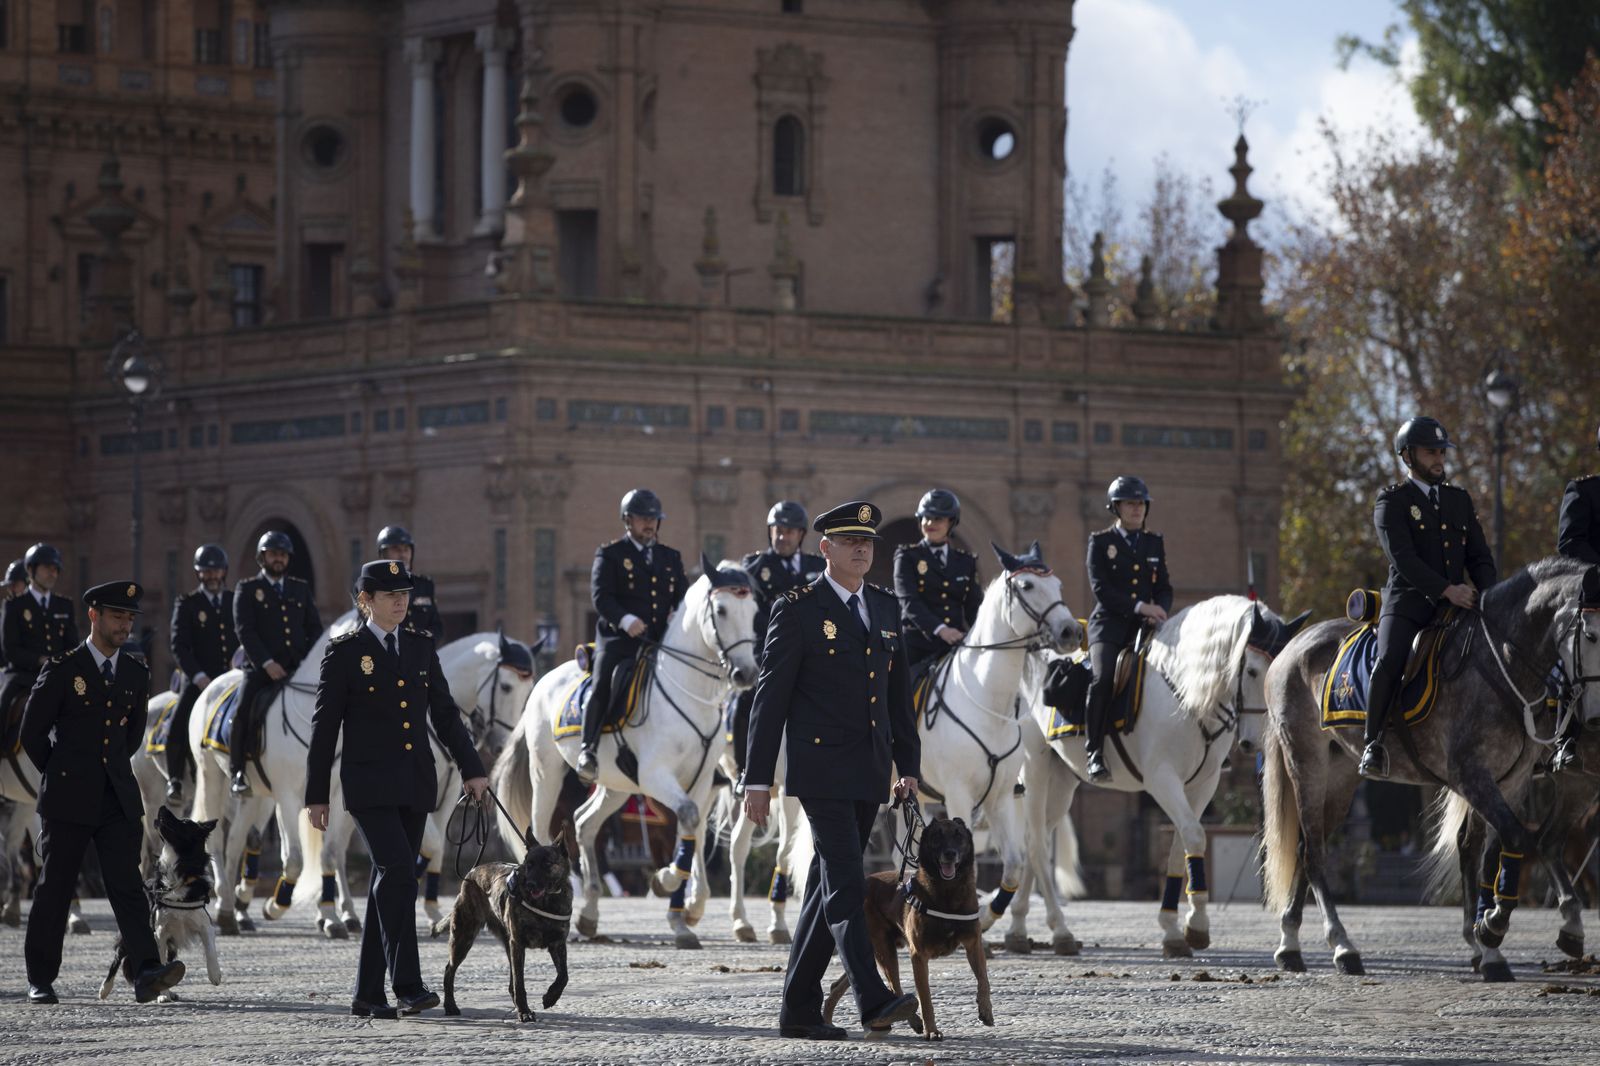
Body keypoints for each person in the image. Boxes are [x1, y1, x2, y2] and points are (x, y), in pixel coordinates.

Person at [744, 501, 921, 1040]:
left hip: (869, 771)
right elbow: (769, 699)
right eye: (849, 541)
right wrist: (756, 778)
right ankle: (872, 999)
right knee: (846, 883)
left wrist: (908, 767)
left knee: (826, 888)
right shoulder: (796, 607)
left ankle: (798, 1011)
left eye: (867, 541)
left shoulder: (886, 609)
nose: (862, 548)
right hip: (820, 770)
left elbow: (898, 698)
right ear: (825, 548)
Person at [305, 560, 489, 1019]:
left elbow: (445, 714)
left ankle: (367, 993)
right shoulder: (345, 652)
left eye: (404, 593)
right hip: (368, 785)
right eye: (389, 595)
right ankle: (407, 984)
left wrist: (472, 767)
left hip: (413, 782)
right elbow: (325, 725)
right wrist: (315, 794)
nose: (400, 601)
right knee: (401, 872)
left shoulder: (422, 645)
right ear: (365, 600)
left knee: (389, 881)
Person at [20, 581, 185, 1005]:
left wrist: (106, 771)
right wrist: (60, 773)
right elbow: (32, 733)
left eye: (129, 618)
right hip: (68, 795)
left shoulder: (134, 672)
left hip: (115, 796)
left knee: (127, 886)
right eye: (117, 616)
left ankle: (146, 969)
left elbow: (131, 737)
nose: (124, 625)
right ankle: (40, 977)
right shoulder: (63, 669)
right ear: (93, 615)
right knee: (55, 888)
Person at [1359, 417, 1496, 779]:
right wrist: (1446, 589)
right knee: (1389, 658)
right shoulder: (1392, 501)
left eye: (1441, 452)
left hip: (1459, 605)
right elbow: (1403, 559)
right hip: (1409, 603)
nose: (1439, 459)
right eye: (1430, 452)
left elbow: (1479, 556)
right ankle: (1373, 743)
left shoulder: (1459, 500)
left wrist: (1491, 594)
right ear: (1408, 456)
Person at [577, 489, 687, 784]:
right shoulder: (611, 554)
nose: (649, 524)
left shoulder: (670, 557)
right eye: (642, 519)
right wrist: (626, 620)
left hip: (660, 641)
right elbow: (601, 597)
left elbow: (682, 597)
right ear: (628, 520)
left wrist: (677, 613)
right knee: (604, 680)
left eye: (653, 519)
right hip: (619, 640)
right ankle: (588, 748)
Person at [1083, 476, 1172, 784]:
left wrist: (1160, 609)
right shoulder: (1101, 542)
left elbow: (1163, 587)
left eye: (1140, 503)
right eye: (1130, 503)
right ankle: (1094, 750)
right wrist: (1140, 607)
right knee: (1103, 677)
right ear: (1116, 508)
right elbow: (1101, 590)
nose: (1136, 509)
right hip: (1108, 626)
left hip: (1147, 627)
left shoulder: (1153, 542)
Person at [732, 500, 826, 780]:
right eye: (777, 530)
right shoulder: (754, 565)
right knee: (747, 701)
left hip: (813, 653)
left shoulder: (819, 566)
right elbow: (751, 614)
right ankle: (744, 771)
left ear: (801, 535)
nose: (782, 536)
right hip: (767, 652)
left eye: (789, 531)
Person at [231, 531, 323, 795]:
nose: (278, 558)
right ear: (262, 557)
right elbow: (244, 630)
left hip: (297, 669)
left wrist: (312, 661)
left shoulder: (300, 588)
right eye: (273, 554)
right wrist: (266, 663)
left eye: (282, 554)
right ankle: (238, 770)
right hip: (262, 670)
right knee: (243, 710)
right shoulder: (248, 589)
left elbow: (314, 629)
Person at [166, 544, 238, 802]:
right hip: (198, 681)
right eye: (207, 572)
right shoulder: (187, 604)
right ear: (199, 574)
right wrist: (198, 677)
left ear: (224, 572)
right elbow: (179, 645)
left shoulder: (233, 600)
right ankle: (174, 780)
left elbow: (243, 637)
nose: (212, 576)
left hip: (229, 680)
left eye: (216, 571)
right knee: (177, 723)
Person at [1551, 421, 1600, 772]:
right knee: (1581, 653)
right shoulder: (1584, 491)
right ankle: (1566, 736)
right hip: (1596, 596)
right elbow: (1568, 543)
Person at [0, 544, 80, 750]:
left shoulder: (64, 605)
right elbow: (10, 649)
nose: (53, 573)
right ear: (30, 570)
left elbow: (72, 645)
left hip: (57, 675)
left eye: (56, 569)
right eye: (47, 568)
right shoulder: (15, 605)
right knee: (3, 705)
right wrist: (39, 660)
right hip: (22, 676)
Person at [892, 489, 983, 670]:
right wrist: (941, 629)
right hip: (917, 645)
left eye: (938, 519)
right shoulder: (907, 556)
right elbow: (908, 601)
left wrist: (981, 636)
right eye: (926, 517)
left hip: (955, 644)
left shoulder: (966, 562)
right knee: (897, 690)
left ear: (951, 522)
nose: (930, 523)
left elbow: (973, 606)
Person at [375, 525, 443, 642]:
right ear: (383, 554)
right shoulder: (372, 585)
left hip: (422, 653)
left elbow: (437, 628)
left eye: (406, 549)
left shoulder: (425, 585)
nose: (403, 555)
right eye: (396, 549)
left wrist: (421, 645)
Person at [0, 558, 28, 673]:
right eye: (9, 586)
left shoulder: (43, 613)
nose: (11, 590)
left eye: (15, 585)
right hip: (8, 672)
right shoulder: (6, 611)